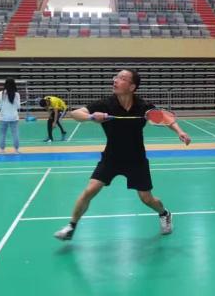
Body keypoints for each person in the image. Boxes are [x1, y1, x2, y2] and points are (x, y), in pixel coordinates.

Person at [54, 69, 190, 242]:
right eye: (116, 77)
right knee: (90, 190)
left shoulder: (143, 106)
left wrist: (180, 132)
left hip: (136, 159)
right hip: (111, 157)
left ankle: (164, 214)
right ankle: (71, 227)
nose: (115, 80)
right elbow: (75, 114)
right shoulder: (105, 104)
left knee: (147, 198)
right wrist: (91, 117)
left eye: (122, 78)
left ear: (132, 87)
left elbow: (164, 117)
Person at [0, 78, 22, 154]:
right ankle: (16, 150)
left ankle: (2, 150)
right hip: (14, 117)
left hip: (3, 117)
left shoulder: (0, 93)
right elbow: (18, 106)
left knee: (2, 134)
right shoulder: (17, 94)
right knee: (15, 133)